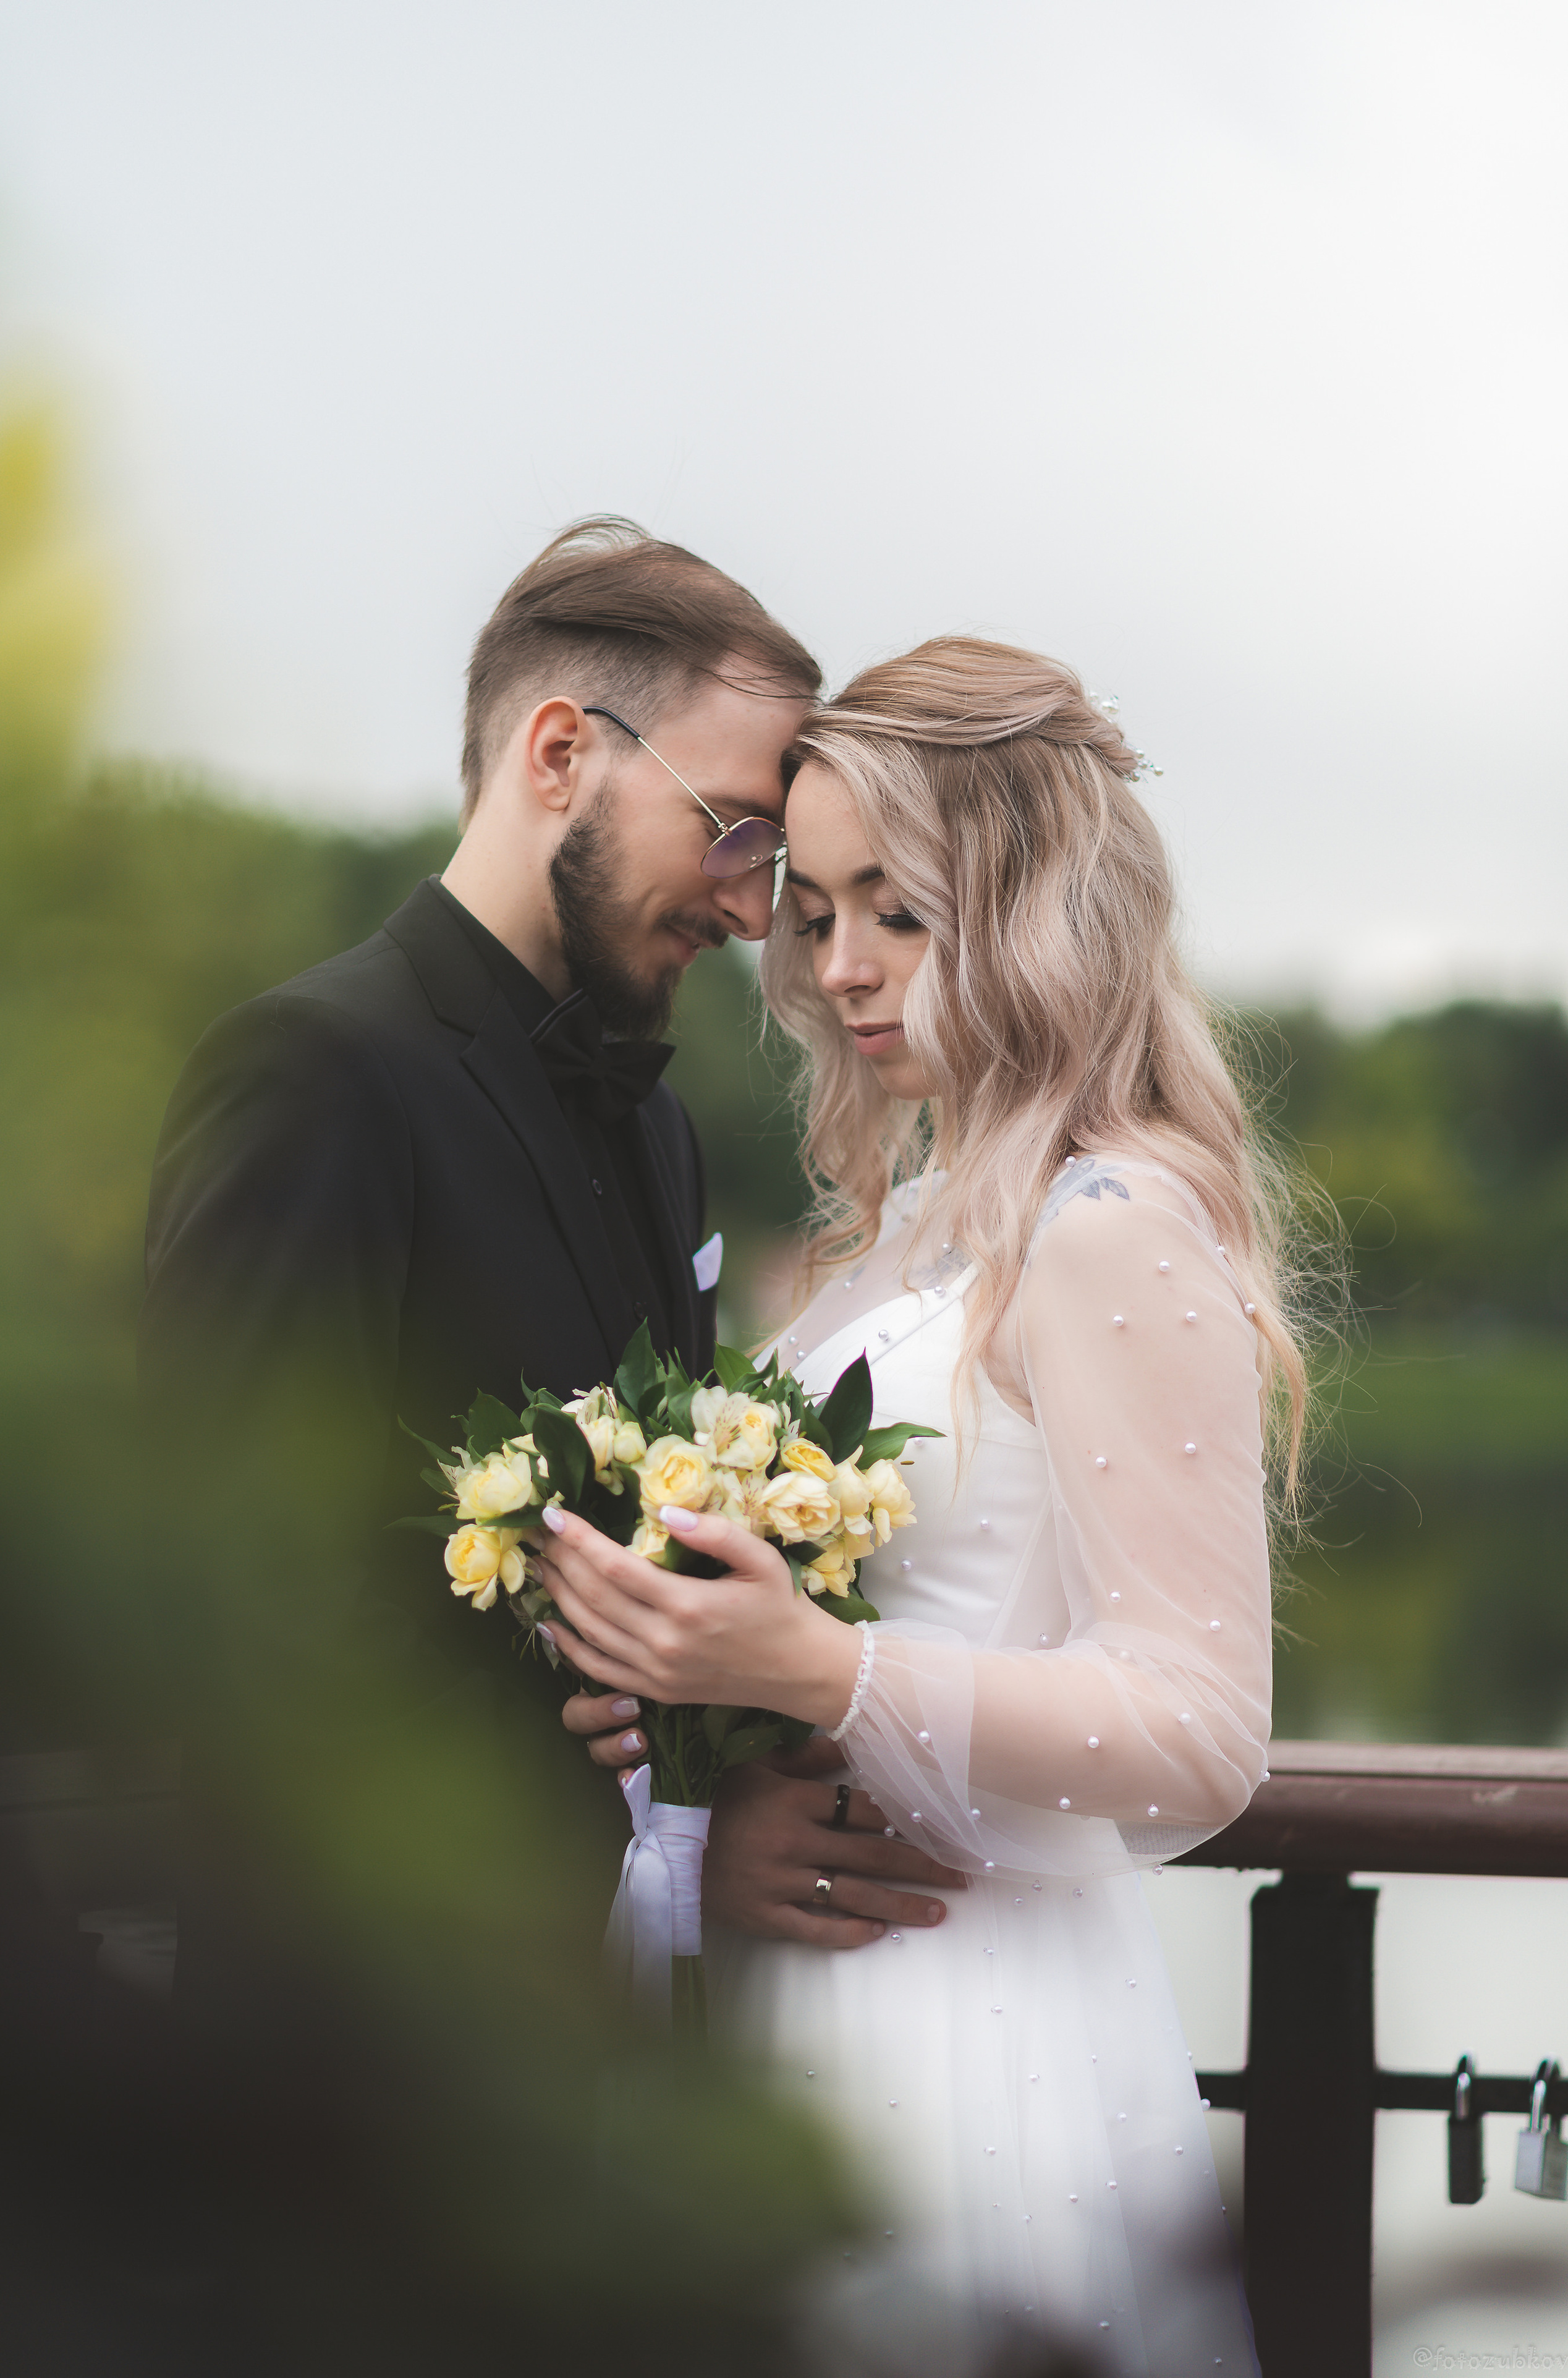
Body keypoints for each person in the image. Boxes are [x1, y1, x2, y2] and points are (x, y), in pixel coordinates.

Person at [536, 637, 1299, 2374]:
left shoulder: (1107, 1223)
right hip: (790, 1990)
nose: (845, 967)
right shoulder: (907, 1228)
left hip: (974, 2031)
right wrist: (673, 1698)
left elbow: (1203, 1730)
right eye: (815, 916)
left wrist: (818, 1675)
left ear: (1034, 901)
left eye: (902, 908)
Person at [139, 517, 962, 2014]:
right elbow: (221, 1609)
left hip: (612, 2054)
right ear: (562, 752)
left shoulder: (655, 1131)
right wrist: (616, 1782)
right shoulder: (312, 1071)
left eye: (768, 863)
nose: (745, 904)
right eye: (731, 831)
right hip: (363, 2047)